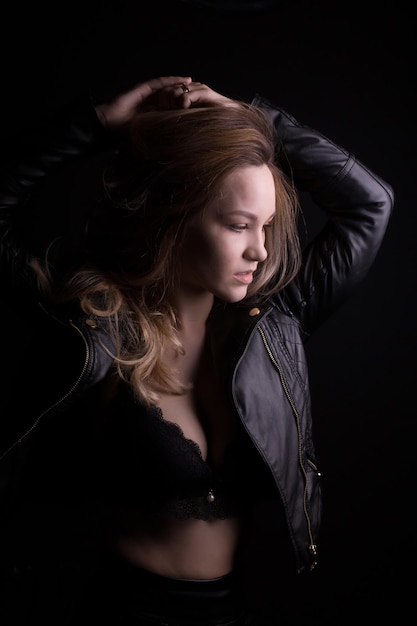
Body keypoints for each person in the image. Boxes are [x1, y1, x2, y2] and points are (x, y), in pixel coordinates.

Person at [0, 75, 393, 626]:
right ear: (176, 219)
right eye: (238, 225)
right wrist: (96, 123)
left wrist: (252, 119)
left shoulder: (272, 330)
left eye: (267, 227)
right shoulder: (93, 331)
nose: (259, 249)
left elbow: (371, 204)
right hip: (120, 612)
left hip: (230, 610)